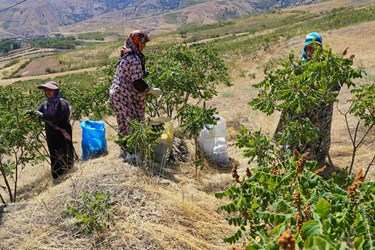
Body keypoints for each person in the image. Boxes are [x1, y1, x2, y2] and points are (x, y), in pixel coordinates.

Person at [275, 32, 339, 167]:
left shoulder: (326, 66)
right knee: (296, 131)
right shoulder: (298, 66)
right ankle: (292, 158)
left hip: (321, 108)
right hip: (301, 106)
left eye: (315, 48)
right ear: (305, 48)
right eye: (309, 48)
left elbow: (335, 87)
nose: (311, 51)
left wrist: (323, 96)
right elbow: (291, 87)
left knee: (318, 135)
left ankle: (316, 161)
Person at [109, 30, 161, 160]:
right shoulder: (134, 58)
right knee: (134, 123)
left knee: (123, 121)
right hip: (124, 94)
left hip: (117, 93)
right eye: (142, 43)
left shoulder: (126, 54)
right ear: (136, 43)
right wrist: (150, 89)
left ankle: (123, 149)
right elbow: (137, 82)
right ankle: (133, 154)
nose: (144, 46)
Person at [28, 81, 75, 179]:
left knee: (65, 150)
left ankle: (68, 172)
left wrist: (42, 115)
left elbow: (57, 118)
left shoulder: (62, 103)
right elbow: (37, 111)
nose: (47, 92)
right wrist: (32, 113)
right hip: (51, 133)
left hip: (62, 131)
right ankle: (57, 175)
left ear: (56, 91)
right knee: (54, 153)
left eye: (50, 90)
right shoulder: (45, 104)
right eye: (46, 90)